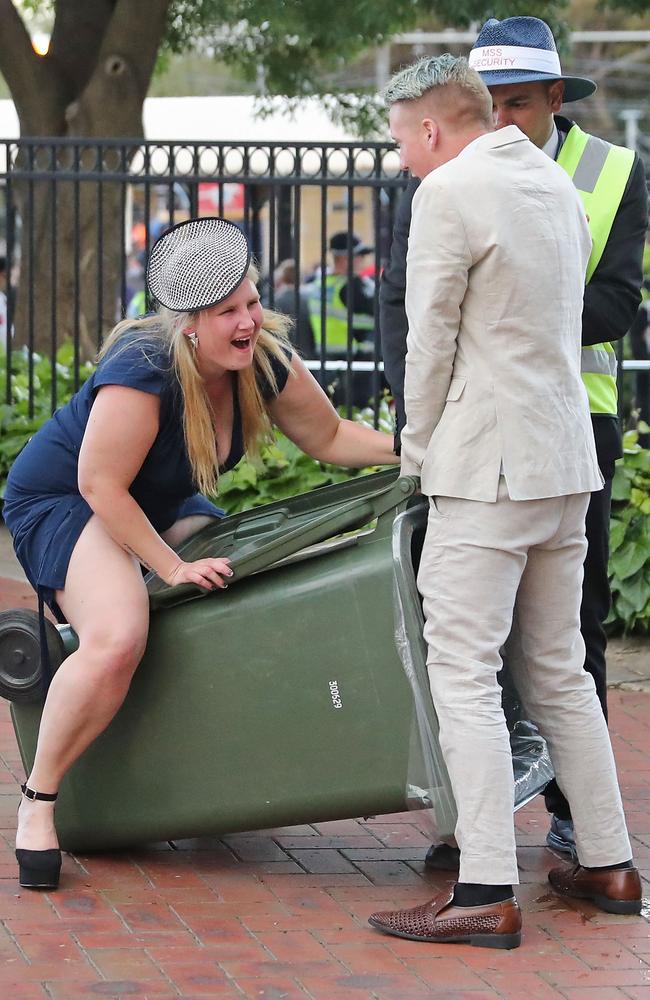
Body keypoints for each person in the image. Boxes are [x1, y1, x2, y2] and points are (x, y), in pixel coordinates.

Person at [3, 217, 398, 892]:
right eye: (228, 314)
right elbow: (99, 484)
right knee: (121, 632)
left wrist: (425, 450)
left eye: (250, 303)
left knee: (245, 586)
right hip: (66, 499)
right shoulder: (145, 368)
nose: (249, 322)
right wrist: (169, 567)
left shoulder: (264, 357)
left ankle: (208, 767)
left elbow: (330, 437)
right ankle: (39, 802)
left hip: (154, 499)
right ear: (189, 323)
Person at [368, 54, 640, 951]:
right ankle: (608, 860)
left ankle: (484, 885)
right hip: (566, 466)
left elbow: (428, 340)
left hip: (487, 471)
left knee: (464, 671)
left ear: (436, 129)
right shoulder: (553, 184)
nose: (402, 156)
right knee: (559, 669)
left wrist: (415, 453)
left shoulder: (448, 193)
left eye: (404, 139)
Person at [305, 232, 377, 407]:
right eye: (359, 255)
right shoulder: (353, 286)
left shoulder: (320, 283)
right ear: (345, 258)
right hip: (357, 362)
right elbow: (381, 311)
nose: (363, 260)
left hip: (326, 361)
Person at [272, 258, 315, 358]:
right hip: (309, 354)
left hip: (283, 355)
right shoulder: (310, 299)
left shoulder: (275, 300)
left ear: (281, 277)